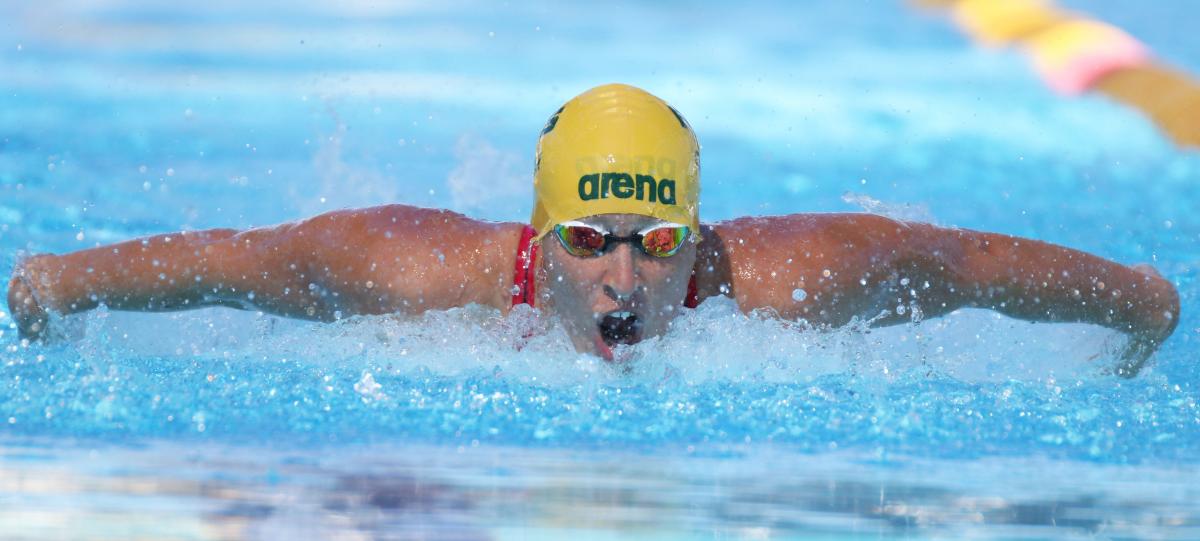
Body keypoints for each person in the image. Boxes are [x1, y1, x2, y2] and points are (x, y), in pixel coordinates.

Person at [5, 84, 1179, 375]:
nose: (624, 281)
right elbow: (241, 266)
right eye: (589, 239)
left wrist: (1140, 300)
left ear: (697, 232)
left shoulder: (795, 278)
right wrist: (55, 281)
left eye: (657, 244)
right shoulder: (411, 268)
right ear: (535, 233)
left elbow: (960, 263)